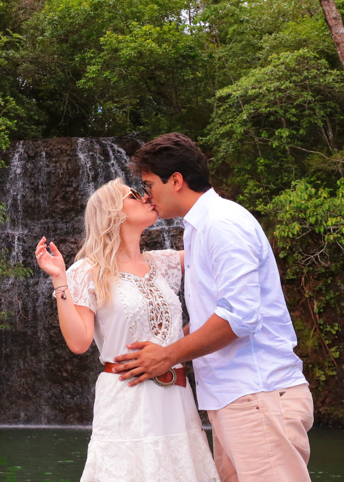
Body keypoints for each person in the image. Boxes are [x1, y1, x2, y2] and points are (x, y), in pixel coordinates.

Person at [113, 133, 313, 482]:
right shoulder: (197, 228)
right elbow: (214, 317)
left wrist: (169, 355)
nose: (146, 195)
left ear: (175, 181)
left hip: (256, 394)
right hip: (233, 398)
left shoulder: (223, 224)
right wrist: (168, 347)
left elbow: (239, 318)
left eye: (148, 184)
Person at [35, 178, 218, 482]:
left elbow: (217, 250)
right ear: (112, 213)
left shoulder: (165, 263)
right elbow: (79, 342)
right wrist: (59, 281)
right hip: (126, 400)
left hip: (176, 399)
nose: (145, 197)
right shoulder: (87, 271)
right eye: (133, 195)